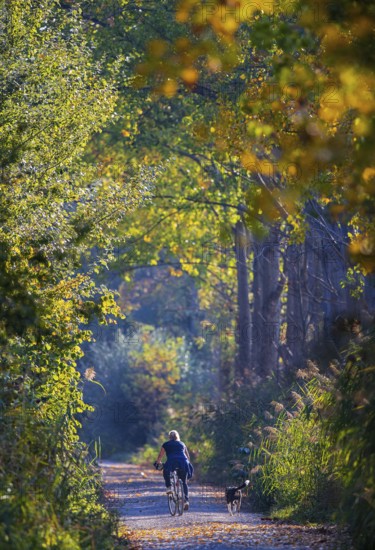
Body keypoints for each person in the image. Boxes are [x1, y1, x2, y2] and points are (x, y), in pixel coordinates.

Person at [155, 430, 192, 510]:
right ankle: (186, 501)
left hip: (172, 461)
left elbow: (160, 455)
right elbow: (188, 456)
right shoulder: (182, 443)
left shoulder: (166, 444)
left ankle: (169, 487)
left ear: (169, 437)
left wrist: (158, 462)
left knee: (166, 471)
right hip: (183, 462)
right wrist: (187, 464)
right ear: (177, 436)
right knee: (184, 482)